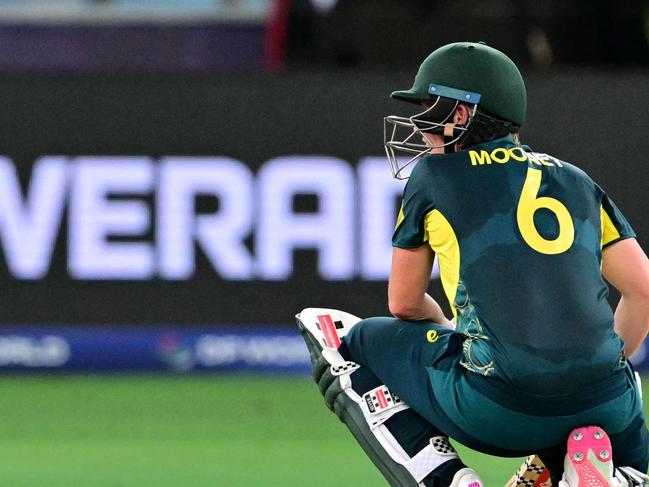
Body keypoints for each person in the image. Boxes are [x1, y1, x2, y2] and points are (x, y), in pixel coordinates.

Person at [297, 41, 649, 486]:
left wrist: (448, 334)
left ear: (460, 115)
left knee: (340, 338)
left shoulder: (434, 177)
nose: (421, 127)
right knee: (619, 398)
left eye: (429, 111)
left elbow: (403, 304)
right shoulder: (576, 179)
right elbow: (643, 290)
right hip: (609, 407)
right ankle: (613, 476)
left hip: (498, 409)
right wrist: (593, 374)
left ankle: (449, 480)